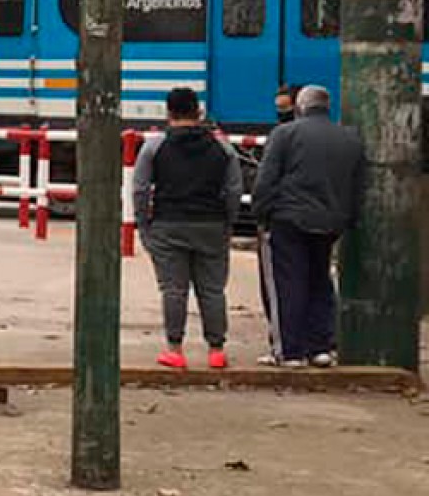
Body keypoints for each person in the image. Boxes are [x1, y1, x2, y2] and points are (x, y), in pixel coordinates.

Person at [251, 85, 364, 368]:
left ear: (300, 107)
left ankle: (289, 351)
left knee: (286, 284)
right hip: (330, 222)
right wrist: (348, 217)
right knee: (320, 280)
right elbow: (358, 184)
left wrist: (261, 213)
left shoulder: (284, 134)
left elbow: (266, 179)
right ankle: (321, 348)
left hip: (288, 219)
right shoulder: (349, 138)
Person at [131, 87, 241, 370]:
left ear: (168, 112)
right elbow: (233, 190)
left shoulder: (154, 146)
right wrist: (227, 222)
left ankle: (175, 350)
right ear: (198, 112)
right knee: (213, 291)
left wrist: (144, 225)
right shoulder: (223, 148)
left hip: (168, 225)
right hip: (212, 225)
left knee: (173, 290)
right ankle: (216, 351)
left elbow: (140, 189)